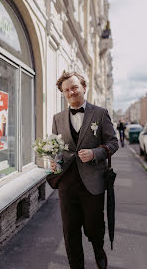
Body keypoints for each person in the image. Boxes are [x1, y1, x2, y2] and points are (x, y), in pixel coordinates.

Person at [50, 71, 119, 269]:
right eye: (66, 90)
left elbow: (113, 143)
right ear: (63, 94)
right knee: (70, 230)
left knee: (93, 226)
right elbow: (55, 147)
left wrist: (96, 153)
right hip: (67, 182)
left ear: (83, 88)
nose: (71, 92)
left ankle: (98, 248)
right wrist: (54, 162)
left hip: (93, 182)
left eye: (74, 87)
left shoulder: (100, 113)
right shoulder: (57, 118)